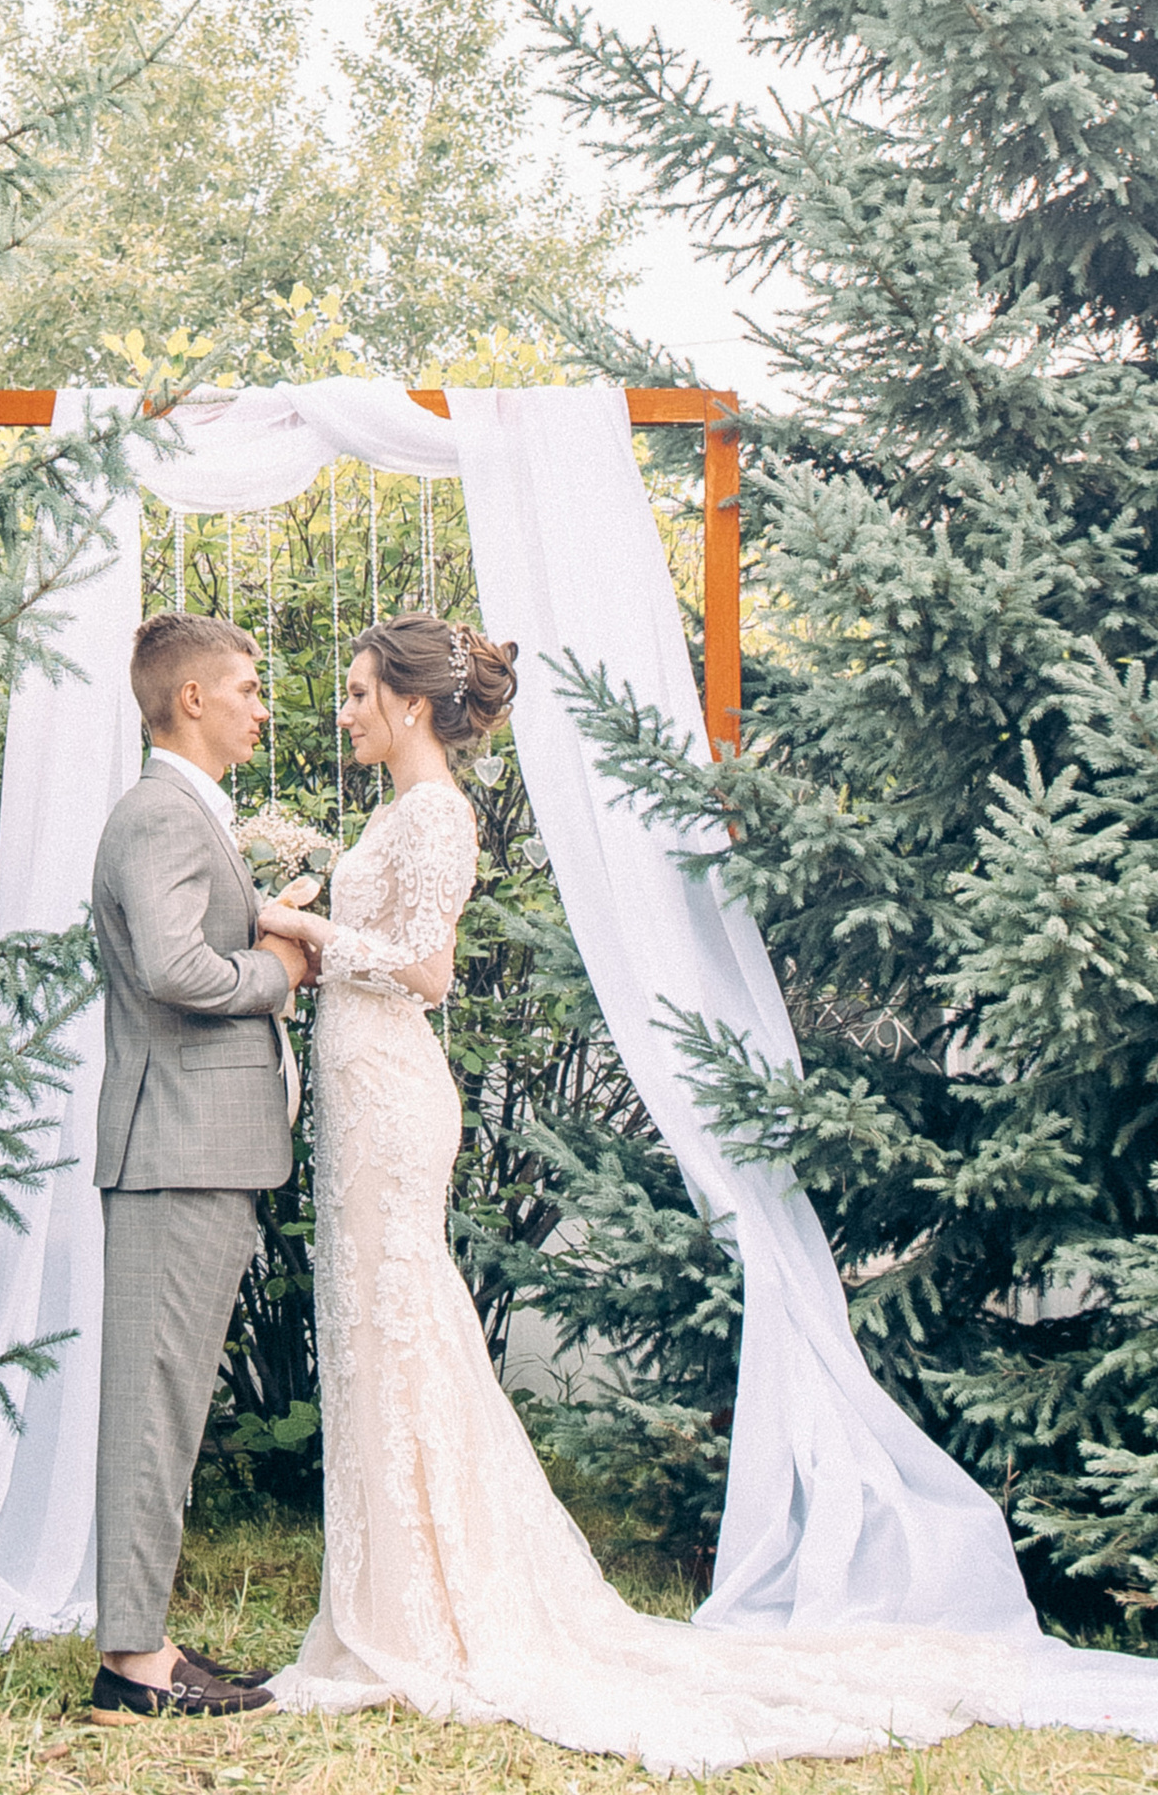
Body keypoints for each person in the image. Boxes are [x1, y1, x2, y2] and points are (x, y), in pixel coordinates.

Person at [249, 613, 1061, 1769]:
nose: (344, 713)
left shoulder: (436, 816)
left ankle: (428, 1611)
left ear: (413, 704)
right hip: (355, 1085)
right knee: (372, 1332)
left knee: (401, 1320)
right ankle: (388, 1595)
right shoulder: (391, 814)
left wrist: (302, 926)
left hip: (391, 1088)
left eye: (358, 693)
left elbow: (426, 971)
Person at [85, 609, 318, 1725]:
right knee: (154, 1406)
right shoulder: (161, 815)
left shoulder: (182, 814)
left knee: (167, 1403)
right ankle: (133, 1668)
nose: (259, 707)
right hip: (174, 1148)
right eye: (247, 687)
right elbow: (177, 968)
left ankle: (144, 1641)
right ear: (191, 699)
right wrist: (276, 970)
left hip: (194, 1146)